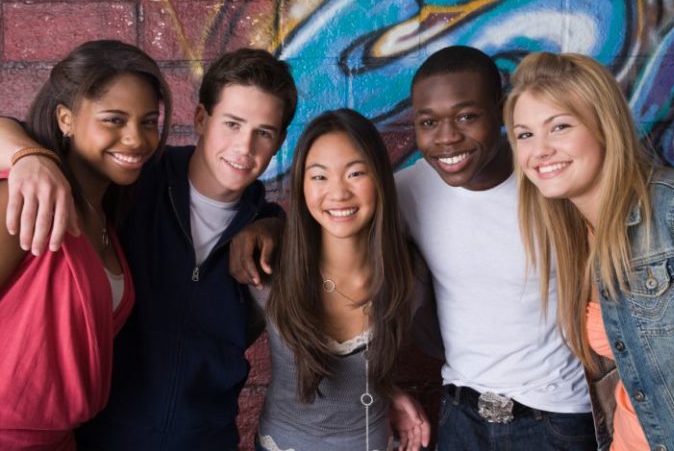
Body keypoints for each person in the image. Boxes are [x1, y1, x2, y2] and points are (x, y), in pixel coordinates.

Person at [228, 46, 597, 450]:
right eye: (428, 122)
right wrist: (266, 226)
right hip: (461, 412)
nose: (447, 137)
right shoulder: (409, 190)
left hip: (554, 416)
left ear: (502, 110)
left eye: (467, 116)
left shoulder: (549, 183)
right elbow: (332, 211)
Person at [0, 48, 296, 450]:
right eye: (232, 123)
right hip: (98, 439)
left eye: (263, 132)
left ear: (279, 140)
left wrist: (273, 224)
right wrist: (29, 155)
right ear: (200, 120)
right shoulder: (134, 182)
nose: (244, 147)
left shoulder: (269, 235)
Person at [504, 51, 674, 451]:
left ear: (603, 128)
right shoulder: (574, 235)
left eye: (559, 127)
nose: (539, 151)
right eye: (525, 134)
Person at [0, 40, 172, 450]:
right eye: (114, 120)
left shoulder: (104, 218)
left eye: (148, 122)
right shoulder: (21, 200)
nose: (135, 140)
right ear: (66, 118)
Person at [253, 108, 430, 451]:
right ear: (301, 185)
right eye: (319, 176)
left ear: (380, 178)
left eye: (355, 173)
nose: (338, 193)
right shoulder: (266, 271)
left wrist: (387, 390)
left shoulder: (411, 276)